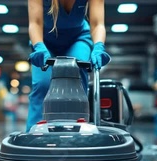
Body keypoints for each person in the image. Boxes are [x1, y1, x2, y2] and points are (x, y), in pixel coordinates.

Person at [26, 0, 111, 131]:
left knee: (75, 76)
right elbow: (35, 23)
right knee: (42, 85)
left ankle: (78, 130)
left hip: (78, 38)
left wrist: (99, 46)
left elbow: (97, 24)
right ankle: (33, 134)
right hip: (44, 41)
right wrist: (38, 47)